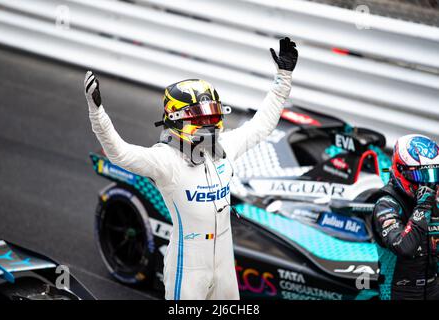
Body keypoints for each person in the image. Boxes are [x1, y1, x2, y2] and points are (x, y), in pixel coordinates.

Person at [84, 37, 298, 299]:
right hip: (187, 268)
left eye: (212, 116)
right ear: (176, 120)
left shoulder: (226, 147)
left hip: (224, 263)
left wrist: (283, 77)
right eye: (199, 118)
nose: (208, 124)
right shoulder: (167, 160)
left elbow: (263, 123)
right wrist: (97, 114)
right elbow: (119, 154)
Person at [372, 134, 439, 300]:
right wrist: (422, 208)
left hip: (433, 290)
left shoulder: (434, 201)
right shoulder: (386, 204)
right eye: (420, 176)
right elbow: (404, 247)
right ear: (399, 170)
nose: (428, 184)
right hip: (398, 293)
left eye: (433, 175)